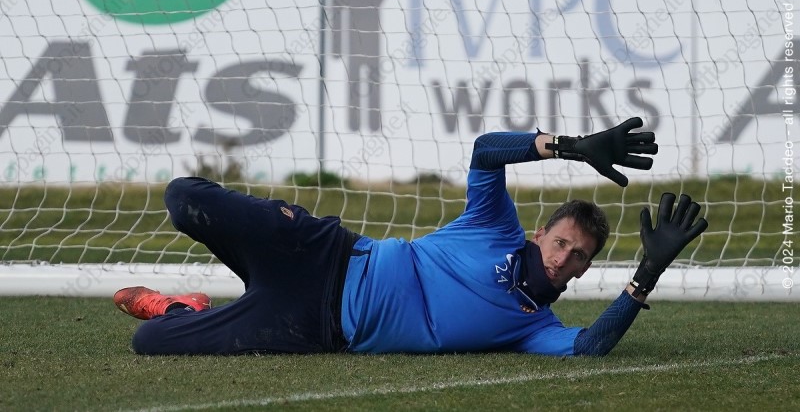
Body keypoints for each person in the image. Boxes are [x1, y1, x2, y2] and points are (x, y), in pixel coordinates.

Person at [114, 117, 708, 356]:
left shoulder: (533, 329)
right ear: (539, 234)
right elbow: (485, 152)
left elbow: (590, 348)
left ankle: (181, 307)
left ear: (583, 270)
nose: (565, 257)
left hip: (314, 326)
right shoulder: (494, 224)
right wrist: (570, 147)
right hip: (322, 251)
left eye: (578, 256)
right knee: (183, 198)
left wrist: (646, 275)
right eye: (561, 243)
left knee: (150, 341)